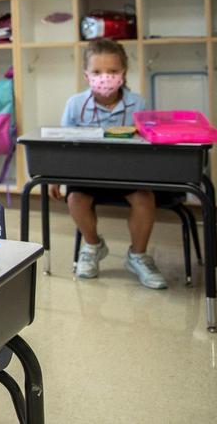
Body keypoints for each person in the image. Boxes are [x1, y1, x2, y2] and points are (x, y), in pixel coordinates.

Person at [53, 38, 165, 288]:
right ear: (86, 75)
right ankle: (93, 246)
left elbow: (148, 142)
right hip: (87, 175)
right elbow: (61, 144)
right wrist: (56, 176)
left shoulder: (138, 104)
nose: (105, 78)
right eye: (97, 72)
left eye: (112, 71)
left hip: (127, 174)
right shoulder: (74, 105)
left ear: (123, 74)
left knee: (145, 199)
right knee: (75, 199)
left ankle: (137, 256)